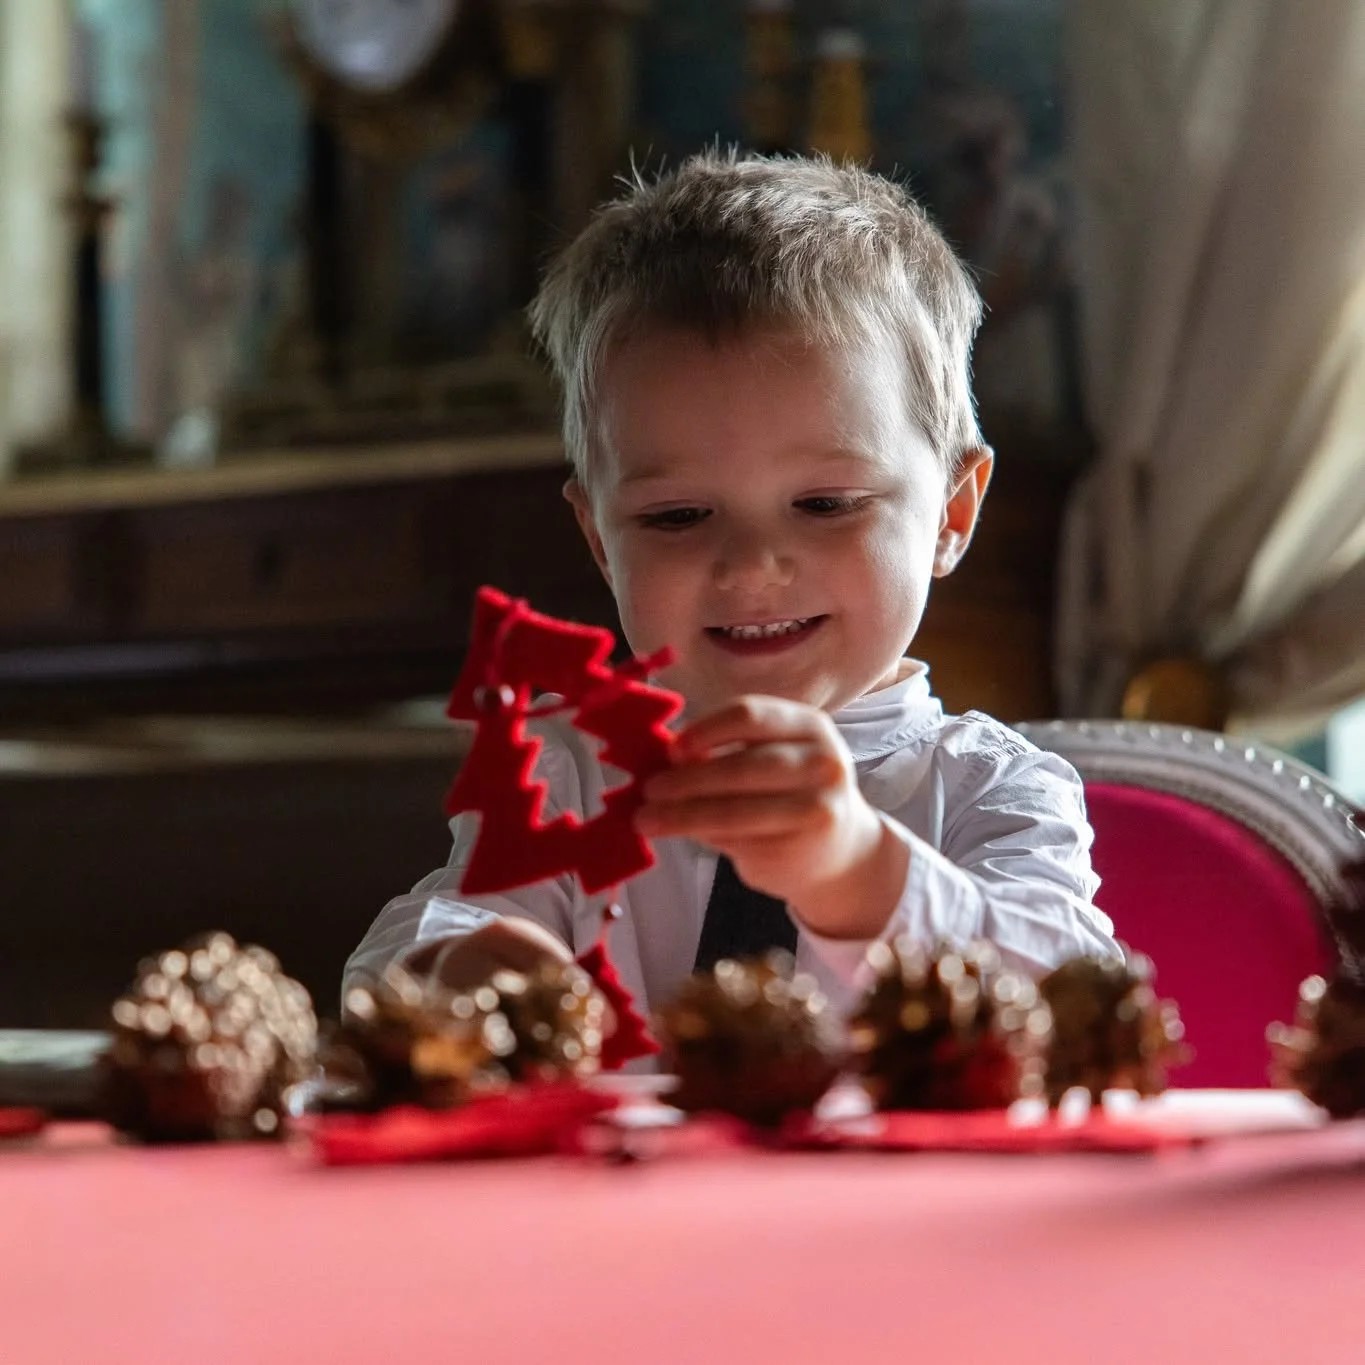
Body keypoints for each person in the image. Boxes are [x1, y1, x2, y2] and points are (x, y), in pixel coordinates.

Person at [345, 150, 1120, 1027]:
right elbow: (422, 946)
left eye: (825, 503)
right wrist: (456, 964)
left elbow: (1073, 995)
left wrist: (858, 872)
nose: (751, 566)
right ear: (601, 539)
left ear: (950, 513)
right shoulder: (564, 773)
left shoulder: (991, 789)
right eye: (677, 516)